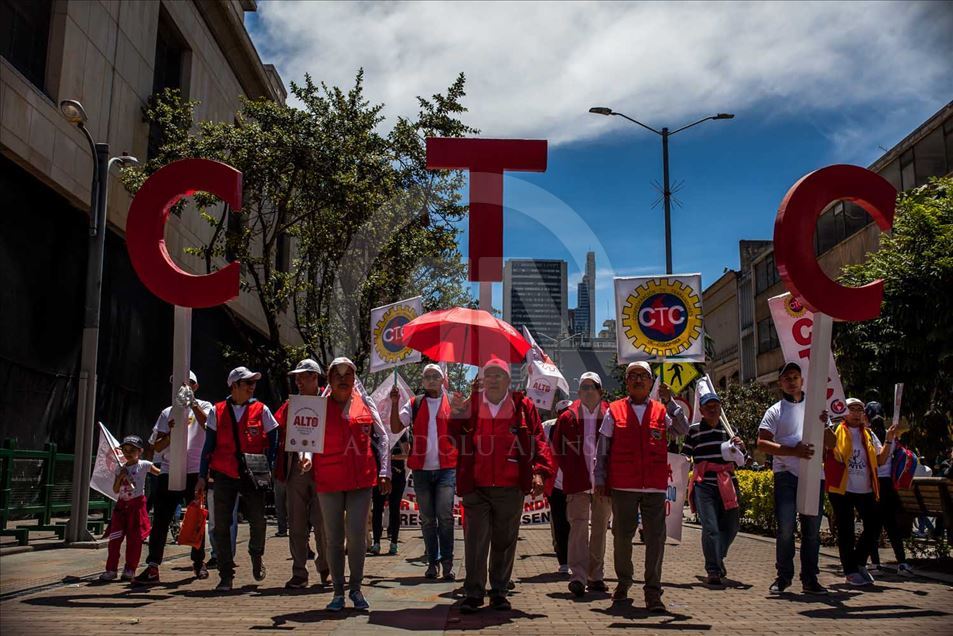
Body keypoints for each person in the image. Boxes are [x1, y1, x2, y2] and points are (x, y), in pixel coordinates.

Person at [449, 358, 555, 614]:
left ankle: (499, 592)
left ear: (509, 380)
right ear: (483, 379)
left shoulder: (522, 405)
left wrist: (539, 472)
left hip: (510, 487)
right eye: (489, 374)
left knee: (504, 542)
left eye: (499, 375)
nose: (494, 379)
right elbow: (452, 436)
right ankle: (474, 593)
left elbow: (539, 441)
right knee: (475, 541)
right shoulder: (472, 403)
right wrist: (458, 410)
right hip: (476, 486)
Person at [594, 361, 689, 612]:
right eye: (633, 376)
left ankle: (652, 591)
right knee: (621, 537)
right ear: (627, 382)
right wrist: (600, 480)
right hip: (623, 485)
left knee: (656, 539)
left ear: (650, 382)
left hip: (655, 487)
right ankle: (624, 582)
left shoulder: (661, 410)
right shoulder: (614, 410)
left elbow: (682, 430)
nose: (638, 380)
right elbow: (602, 450)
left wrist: (671, 403)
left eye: (643, 376)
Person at [314, 357, 391, 612]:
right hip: (329, 479)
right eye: (338, 375)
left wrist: (384, 471)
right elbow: (304, 442)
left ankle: (355, 589)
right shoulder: (317, 408)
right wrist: (304, 459)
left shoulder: (365, 404)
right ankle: (338, 592)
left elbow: (382, 438)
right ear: (330, 380)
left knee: (357, 536)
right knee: (333, 538)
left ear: (354, 378)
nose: (344, 379)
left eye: (349, 375)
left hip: (361, 480)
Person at [195, 366, 280, 592]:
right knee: (221, 524)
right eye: (247, 383)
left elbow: (274, 437)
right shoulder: (217, 410)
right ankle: (226, 575)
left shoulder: (262, 410)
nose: (252, 387)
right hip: (224, 472)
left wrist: (268, 464)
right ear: (234, 386)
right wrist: (202, 475)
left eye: (253, 383)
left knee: (258, 520)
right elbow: (208, 445)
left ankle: (256, 554)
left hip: (254, 472)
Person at [757, 362, 836, 596]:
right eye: (787, 378)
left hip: (813, 476)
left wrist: (824, 425)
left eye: (795, 377)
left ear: (802, 380)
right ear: (781, 383)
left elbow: (831, 444)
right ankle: (783, 577)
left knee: (812, 531)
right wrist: (793, 452)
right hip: (786, 477)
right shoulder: (775, 410)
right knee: (786, 529)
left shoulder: (816, 409)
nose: (792, 382)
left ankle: (810, 579)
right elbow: (761, 443)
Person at [135, 372, 213, 583]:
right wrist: (170, 433)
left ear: (196, 386)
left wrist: (192, 403)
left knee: (197, 517)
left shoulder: (206, 406)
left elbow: (207, 425)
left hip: (194, 470)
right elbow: (156, 447)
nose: (181, 388)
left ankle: (199, 563)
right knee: (161, 519)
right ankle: (152, 566)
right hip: (169, 470)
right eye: (176, 385)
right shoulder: (167, 412)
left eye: (188, 385)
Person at [391, 363, 458, 580]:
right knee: (428, 519)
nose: (431, 379)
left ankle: (447, 563)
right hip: (421, 470)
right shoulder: (414, 404)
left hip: (446, 469)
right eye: (427, 376)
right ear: (422, 381)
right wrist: (394, 403)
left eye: (435, 376)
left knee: (445, 518)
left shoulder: (453, 402)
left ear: (442, 380)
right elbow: (394, 427)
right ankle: (432, 563)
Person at [550, 372, 611, 597]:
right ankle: (577, 576)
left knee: (599, 530)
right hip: (577, 482)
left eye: (591, 387)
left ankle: (596, 576)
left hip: (603, 483)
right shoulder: (567, 417)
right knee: (577, 528)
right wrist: (569, 470)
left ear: (600, 391)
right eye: (583, 387)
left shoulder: (610, 415)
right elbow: (556, 448)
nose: (586, 391)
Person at [825, 397, 897, 586]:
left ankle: (858, 562)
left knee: (874, 525)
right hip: (842, 488)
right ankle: (850, 571)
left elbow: (880, 460)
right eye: (852, 409)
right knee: (846, 530)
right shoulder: (836, 431)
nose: (856, 413)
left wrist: (889, 439)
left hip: (865, 488)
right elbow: (832, 449)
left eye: (860, 409)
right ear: (844, 412)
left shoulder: (869, 435)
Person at [273, 358, 330, 589]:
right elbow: (277, 427)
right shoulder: (289, 405)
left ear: (315, 378)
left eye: (303, 377)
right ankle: (299, 571)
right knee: (296, 522)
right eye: (296, 377)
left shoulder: (329, 403)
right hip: (295, 468)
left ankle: (325, 568)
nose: (298, 381)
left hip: (323, 471)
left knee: (322, 523)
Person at [682, 390, 744, 585]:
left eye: (715, 406)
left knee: (732, 526)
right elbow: (684, 457)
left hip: (727, 482)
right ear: (701, 409)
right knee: (710, 528)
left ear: (720, 408)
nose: (711, 409)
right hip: (704, 486)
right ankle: (713, 569)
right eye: (707, 406)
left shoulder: (729, 430)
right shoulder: (693, 431)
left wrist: (741, 447)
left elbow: (744, 460)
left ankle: (718, 555)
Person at [100, 436, 160, 581]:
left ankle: (130, 569)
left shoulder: (144, 465)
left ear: (140, 451)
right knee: (114, 541)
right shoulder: (120, 469)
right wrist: (120, 477)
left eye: (132, 450)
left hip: (136, 507)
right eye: (125, 450)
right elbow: (115, 489)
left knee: (134, 541)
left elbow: (159, 472)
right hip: (121, 508)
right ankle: (111, 569)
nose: (128, 453)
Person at [866, 412, 914, 577]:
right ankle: (901, 562)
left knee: (873, 526)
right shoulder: (890, 437)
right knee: (891, 525)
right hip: (888, 485)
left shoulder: (870, 436)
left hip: (874, 484)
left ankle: (874, 563)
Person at [543, 399, 573, 576]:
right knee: (560, 521)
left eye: (568, 411)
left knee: (575, 523)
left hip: (576, 483)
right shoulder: (548, 427)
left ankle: (575, 558)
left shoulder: (579, 424)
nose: (566, 415)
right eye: (563, 412)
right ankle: (564, 560)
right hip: (556, 483)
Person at [370, 429, 409, 556]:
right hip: (378, 474)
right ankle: (376, 542)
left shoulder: (400, 431)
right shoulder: (375, 430)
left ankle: (394, 542)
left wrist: (389, 457)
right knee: (377, 507)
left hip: (397, 473)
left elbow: (407, 453)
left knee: (394, 507)